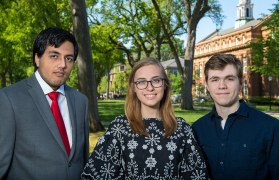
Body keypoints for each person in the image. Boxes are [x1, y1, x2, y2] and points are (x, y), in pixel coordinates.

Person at [81, 57, 209, 179]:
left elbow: (195, 175)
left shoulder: (182, 129)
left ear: (165, 85)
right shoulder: (119, 128)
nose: (150, 87)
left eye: (156, 80)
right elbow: (101, 174)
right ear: (134, 88)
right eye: (142, 82)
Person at [0, 27, 89, 179]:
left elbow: (83, 160)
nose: (62, 64)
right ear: (37, 58)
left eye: (69, 58)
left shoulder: (81, 101)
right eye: (54, 56)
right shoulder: (9, 99)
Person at [192, 53, 279, 180]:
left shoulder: (270, 128)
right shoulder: (197, 129)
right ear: (207, 85)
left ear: (241, 82)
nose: (222, 86)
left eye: (229, 78)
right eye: (215, 79)